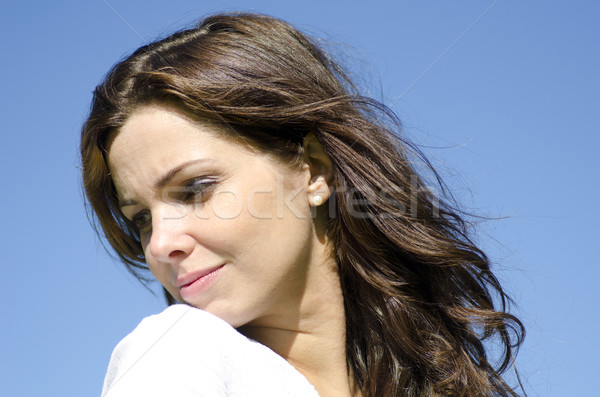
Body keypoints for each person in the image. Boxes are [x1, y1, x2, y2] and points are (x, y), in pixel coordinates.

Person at [81, 12, 525, 397]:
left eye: (195, 189)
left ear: (314, 170)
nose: (159, 244)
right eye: (140, 219)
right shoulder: (181, 353)